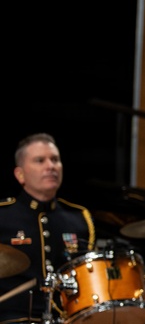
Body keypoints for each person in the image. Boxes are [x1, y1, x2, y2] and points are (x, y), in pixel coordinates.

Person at [1, 133, 96, 324]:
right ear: (20, 174)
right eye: (40, 160)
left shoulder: (79, 218)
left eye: (55, 160)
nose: (50, 166)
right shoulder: (3, 215)